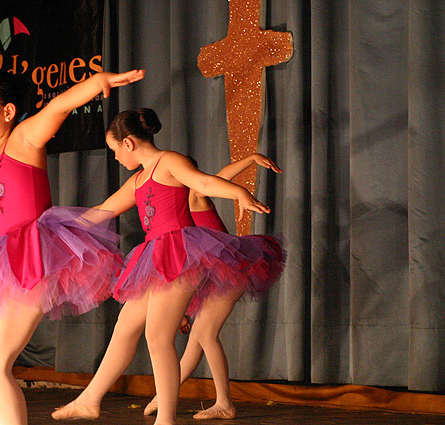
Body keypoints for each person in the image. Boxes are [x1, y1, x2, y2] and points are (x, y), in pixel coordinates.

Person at [0, 69, 145, 425]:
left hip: (29, 262)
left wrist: (97, 83)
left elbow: (58, 107)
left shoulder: (23, 140)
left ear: (8, 111)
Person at [51, 108, 284, 425]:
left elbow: (203, 182)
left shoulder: (169, 161)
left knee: (158, 337)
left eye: (115, 150)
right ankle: (89, 400)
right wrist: (56, 228)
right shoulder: (137, 180)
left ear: (129, 143)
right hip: (154, 256)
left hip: (179, 253)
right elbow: (103, 210)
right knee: (125, 327)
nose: (115, 157)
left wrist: (238, 192)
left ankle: (167, 418)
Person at [143, 154, 285, 420]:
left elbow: (221, 177)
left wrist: (250, 159)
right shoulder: (177, 209)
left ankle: (223, 403)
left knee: (205, 336)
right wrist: (181, 310)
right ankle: (164, 397)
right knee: (197, 340)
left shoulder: (195, 194)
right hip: (212, 278)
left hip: (230, 271)